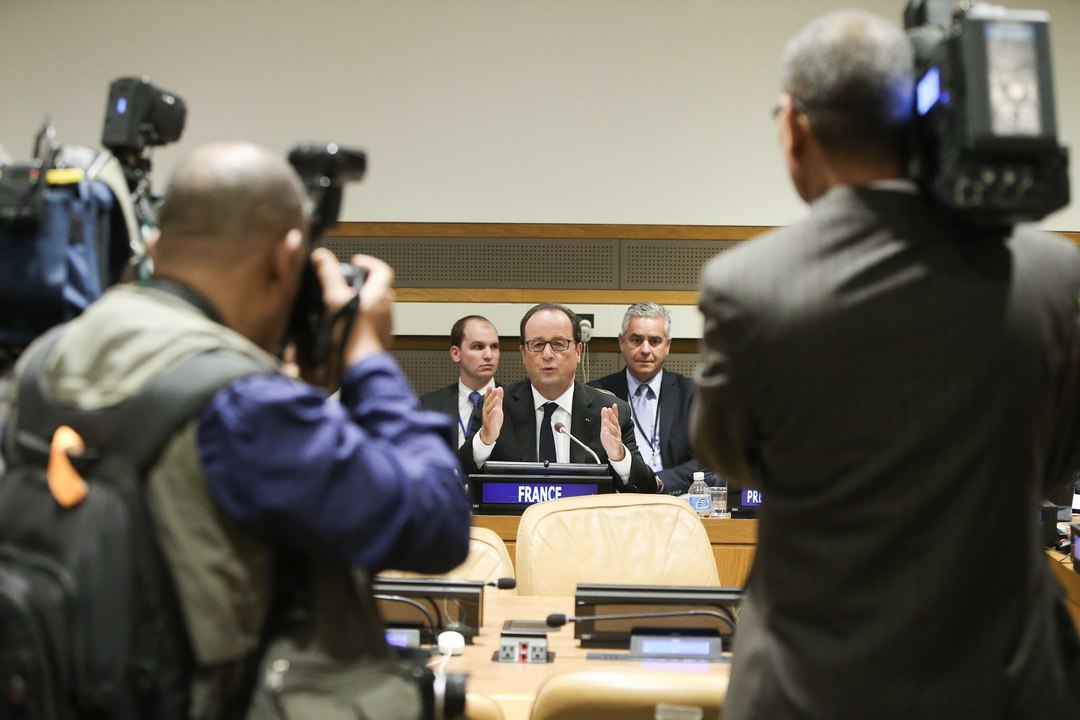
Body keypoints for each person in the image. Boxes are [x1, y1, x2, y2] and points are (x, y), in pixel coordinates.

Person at [691, 10, 1080, 719]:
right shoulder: (1053, 277)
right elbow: (1056, 470)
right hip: (1005, 688)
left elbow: (730, 457)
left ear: (796, 128)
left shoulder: (748, 286)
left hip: (811, 690)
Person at [4, 142, 472, 715]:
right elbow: (437, 522)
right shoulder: (243, 405)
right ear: (288, 257)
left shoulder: (44, 363)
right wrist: (368, 357)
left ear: (156, 245)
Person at [459, 302, 658, 493]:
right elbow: (457, 478)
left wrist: (619, 456)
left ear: (578, 351)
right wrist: (484, 441)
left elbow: (646, 489)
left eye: (559, 344)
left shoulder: (609, 411)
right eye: (537, 345)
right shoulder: (496, 407)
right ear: (523, 353)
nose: (547, 354)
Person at [590, 302, 703, 495]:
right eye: (636, 340)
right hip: (617, 500)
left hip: (675, 500)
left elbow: (707, 462)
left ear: (668, 345)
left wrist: (657, 482)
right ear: (621, 342)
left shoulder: (693, 394)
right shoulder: (597, 394)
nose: (645, 349)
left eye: (655, 341)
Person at [420, 314, 500, 447]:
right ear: (456, 354)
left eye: (494, 347)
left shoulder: (514, 405)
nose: (489, 355)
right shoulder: (428, 406)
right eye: (478, 347)